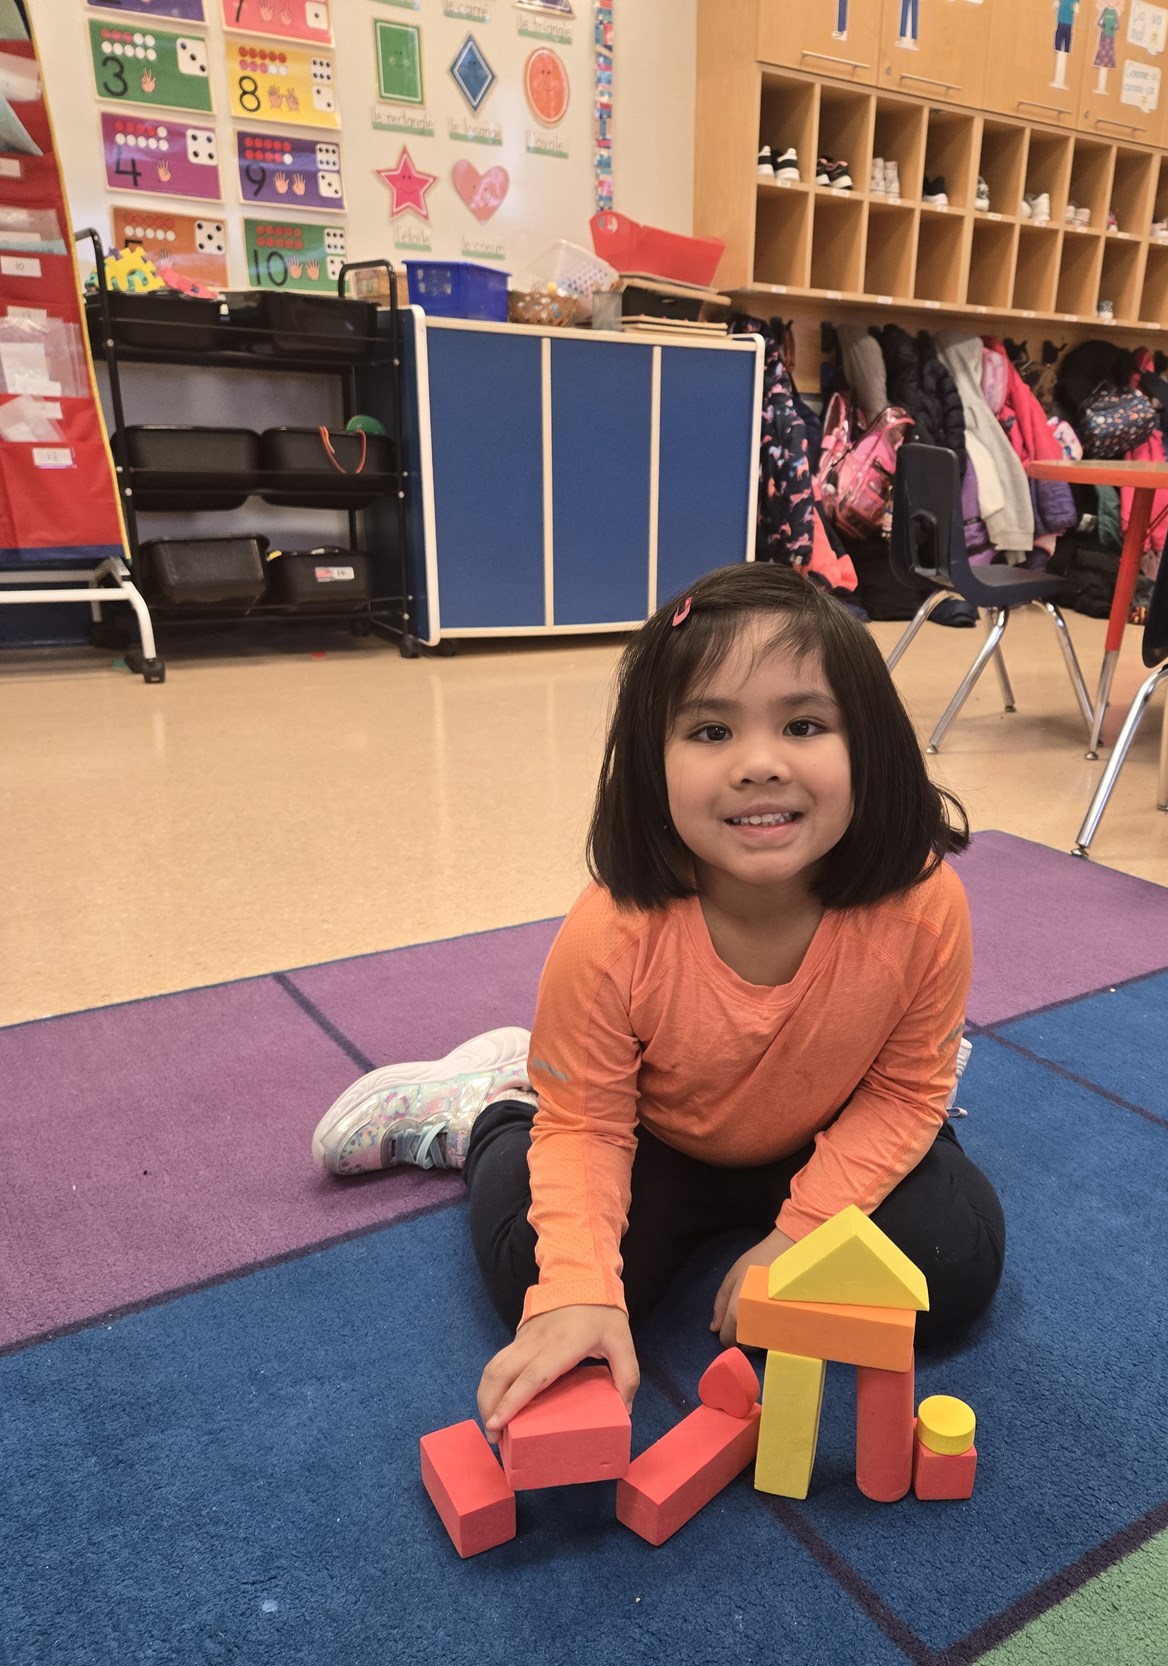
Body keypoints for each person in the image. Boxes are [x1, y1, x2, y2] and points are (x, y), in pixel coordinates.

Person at [312, 564, 1005, 1440]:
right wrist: (575, 1293)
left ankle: (823, 1143)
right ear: (652, 765)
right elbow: (591, 1126)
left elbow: (905, 1093)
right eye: (711, 730)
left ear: (870, 745)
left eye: (804, 724)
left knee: (955, 1268)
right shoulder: (613, 933)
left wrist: (801, 1235)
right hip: (648, 1131)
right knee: (548, 1284)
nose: (760, 765)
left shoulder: (924, 904)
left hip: (831, 1118)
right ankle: (486, 1106)